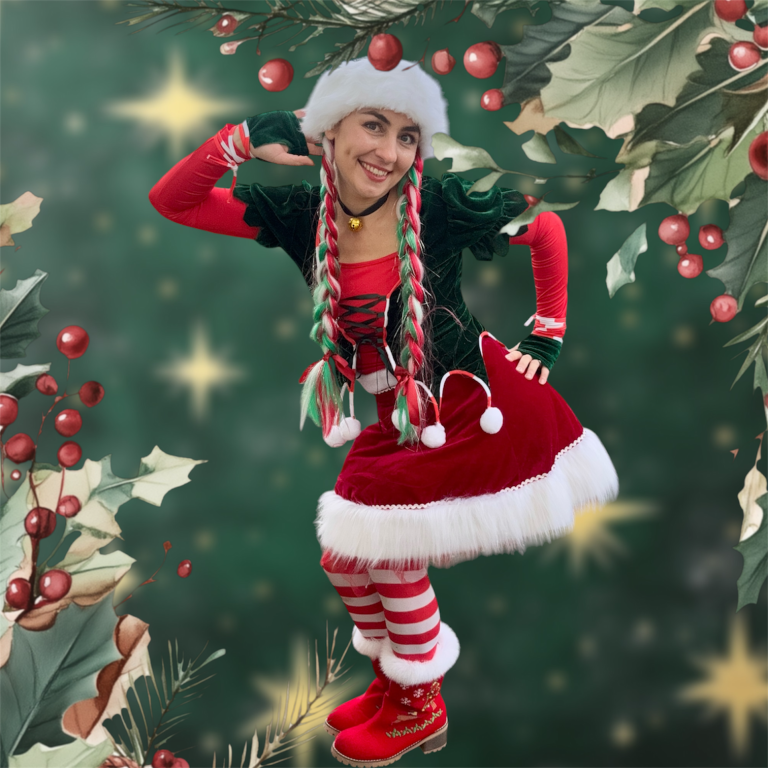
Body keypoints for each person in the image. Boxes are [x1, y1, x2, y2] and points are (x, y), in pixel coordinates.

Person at [149, 57, 619, 768]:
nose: (389, 151)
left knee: (387, 551)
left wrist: (545, 334)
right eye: (373, 126)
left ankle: (421, 703)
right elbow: (175, 202)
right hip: (402, 417)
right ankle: (394, 683)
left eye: (407, 136)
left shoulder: (442, 206)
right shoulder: (302, 215)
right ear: (328, 132)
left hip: (473, 404)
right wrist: (239, 140)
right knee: (345, 554)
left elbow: (544, 227)